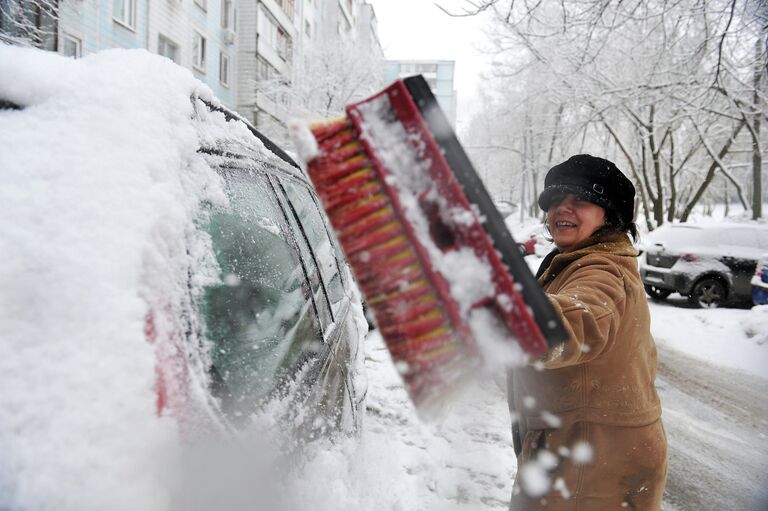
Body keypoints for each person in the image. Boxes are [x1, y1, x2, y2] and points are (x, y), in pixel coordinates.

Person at [508, 154, 668, 510]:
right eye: (554, 201)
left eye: (579, 200)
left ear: (608, 214)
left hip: (590, 468)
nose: (561, 209)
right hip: (586, 455)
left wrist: (512, 312)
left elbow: (580, 321)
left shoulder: (602, 269)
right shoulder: (578, 260)